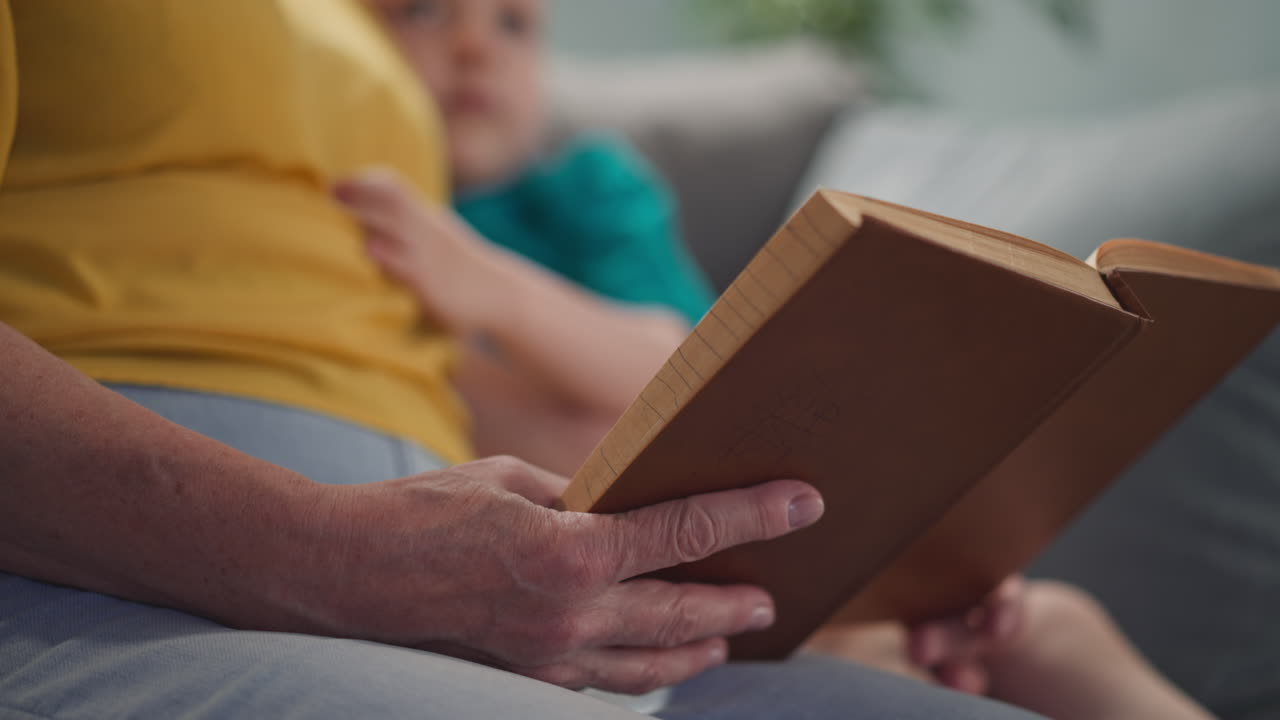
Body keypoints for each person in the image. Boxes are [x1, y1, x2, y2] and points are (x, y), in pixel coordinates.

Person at [0, 2, 1042, 718]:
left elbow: (650, 369)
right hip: (147, 566)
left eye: (509, 23)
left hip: (512, 588)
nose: (467, 49)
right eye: (424, 13)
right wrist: (328, 554)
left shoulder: (460, 142)